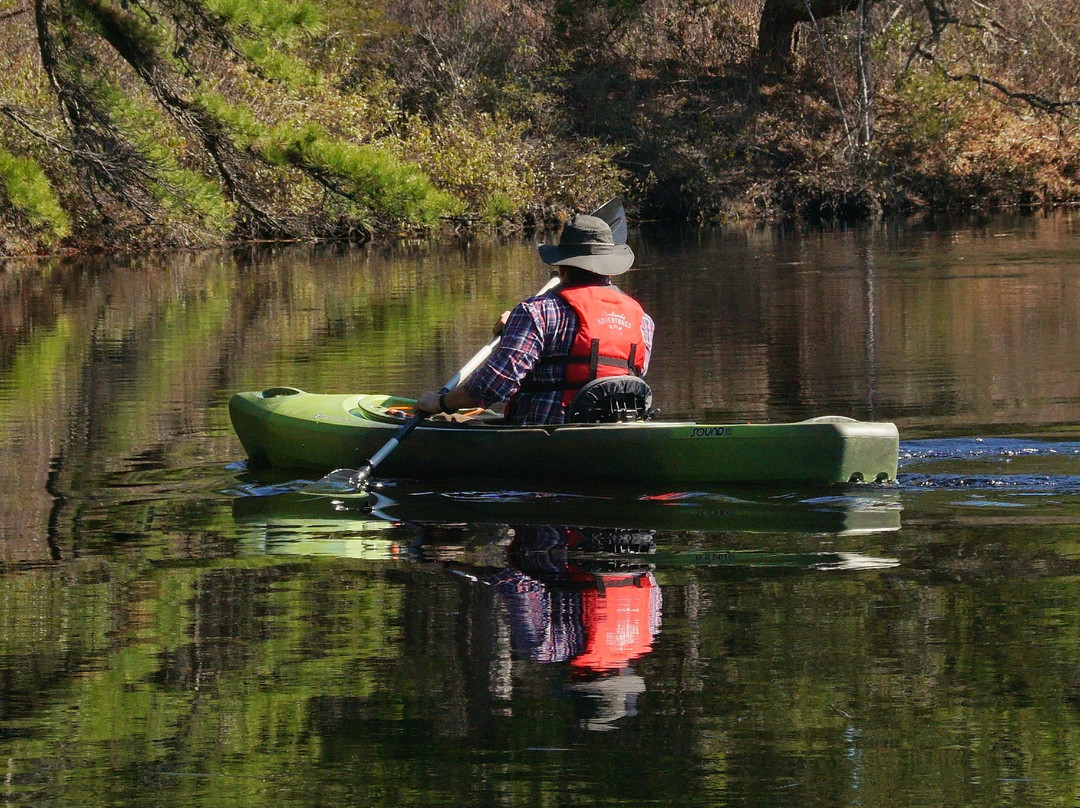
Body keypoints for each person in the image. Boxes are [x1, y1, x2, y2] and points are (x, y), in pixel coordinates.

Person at [415, 214, 655, 425]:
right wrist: (514, 330)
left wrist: (442, 404)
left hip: (550, 430)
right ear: (609, 270)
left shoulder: (536, 312)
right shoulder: (641, 318)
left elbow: (494, 384)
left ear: (561, 268)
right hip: (618, 424)